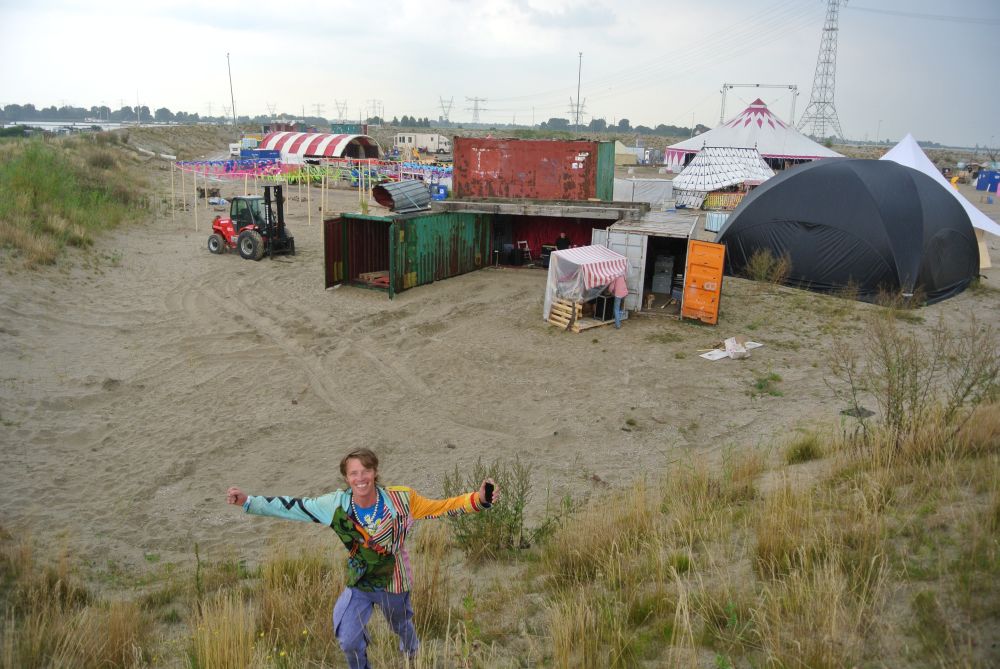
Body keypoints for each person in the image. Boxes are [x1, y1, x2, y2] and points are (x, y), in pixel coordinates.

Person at [226, 448, 498, 669]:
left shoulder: (402, 500)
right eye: (353, 473)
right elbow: (295, 507)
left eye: (365, 471)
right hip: (361, 583)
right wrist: (248, 501)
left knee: (402, 625)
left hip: (395, 582)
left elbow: (441, 508)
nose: (360, 478)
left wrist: (479, 498)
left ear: (375, 472)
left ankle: (412, 656)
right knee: (347, 638)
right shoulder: (335, 505)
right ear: (346, 478)